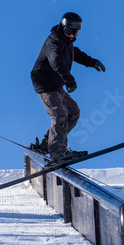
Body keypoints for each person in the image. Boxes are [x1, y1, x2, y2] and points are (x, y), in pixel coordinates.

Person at [30, 12, 106, 163]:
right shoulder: (54, 42)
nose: (72, 35)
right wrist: (69, 81)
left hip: (56, 84)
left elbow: (75, 53)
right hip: (45, 83)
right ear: (62, 27)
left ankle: (48, 144)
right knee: (60, 114)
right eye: (69, 31)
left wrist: (92, 62)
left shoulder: (67, 43)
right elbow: (57, 62)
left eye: (75, 32)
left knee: (73, 112)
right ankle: (57, 153)